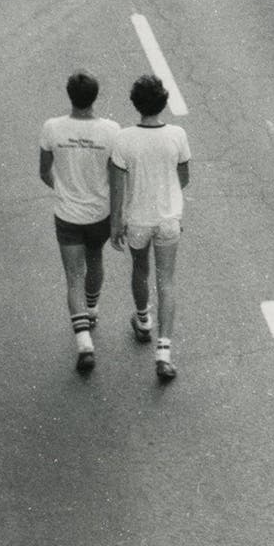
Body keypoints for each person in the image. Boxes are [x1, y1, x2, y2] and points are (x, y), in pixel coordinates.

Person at [109, 74, 192, 382]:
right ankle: (164, 353)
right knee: (166, 281)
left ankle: (143, 321)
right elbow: (184, 176)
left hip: (138, 220)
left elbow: (117, 185)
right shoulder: (177, 135)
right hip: (169, 219)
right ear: (164, 102)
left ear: (135, 103)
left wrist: (115, 220)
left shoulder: (123, 139)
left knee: (139, 270)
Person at [39, 71, 122, 374]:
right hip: (100, 213)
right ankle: (93, 307)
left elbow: (44, 171)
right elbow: (117, 177)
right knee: (95, 258)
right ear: (95, 97)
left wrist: (63, 190)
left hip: (67, 215)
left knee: (73, 275)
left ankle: (84, 342)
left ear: (69, 95)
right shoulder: (112, 131)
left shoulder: (52, 128)